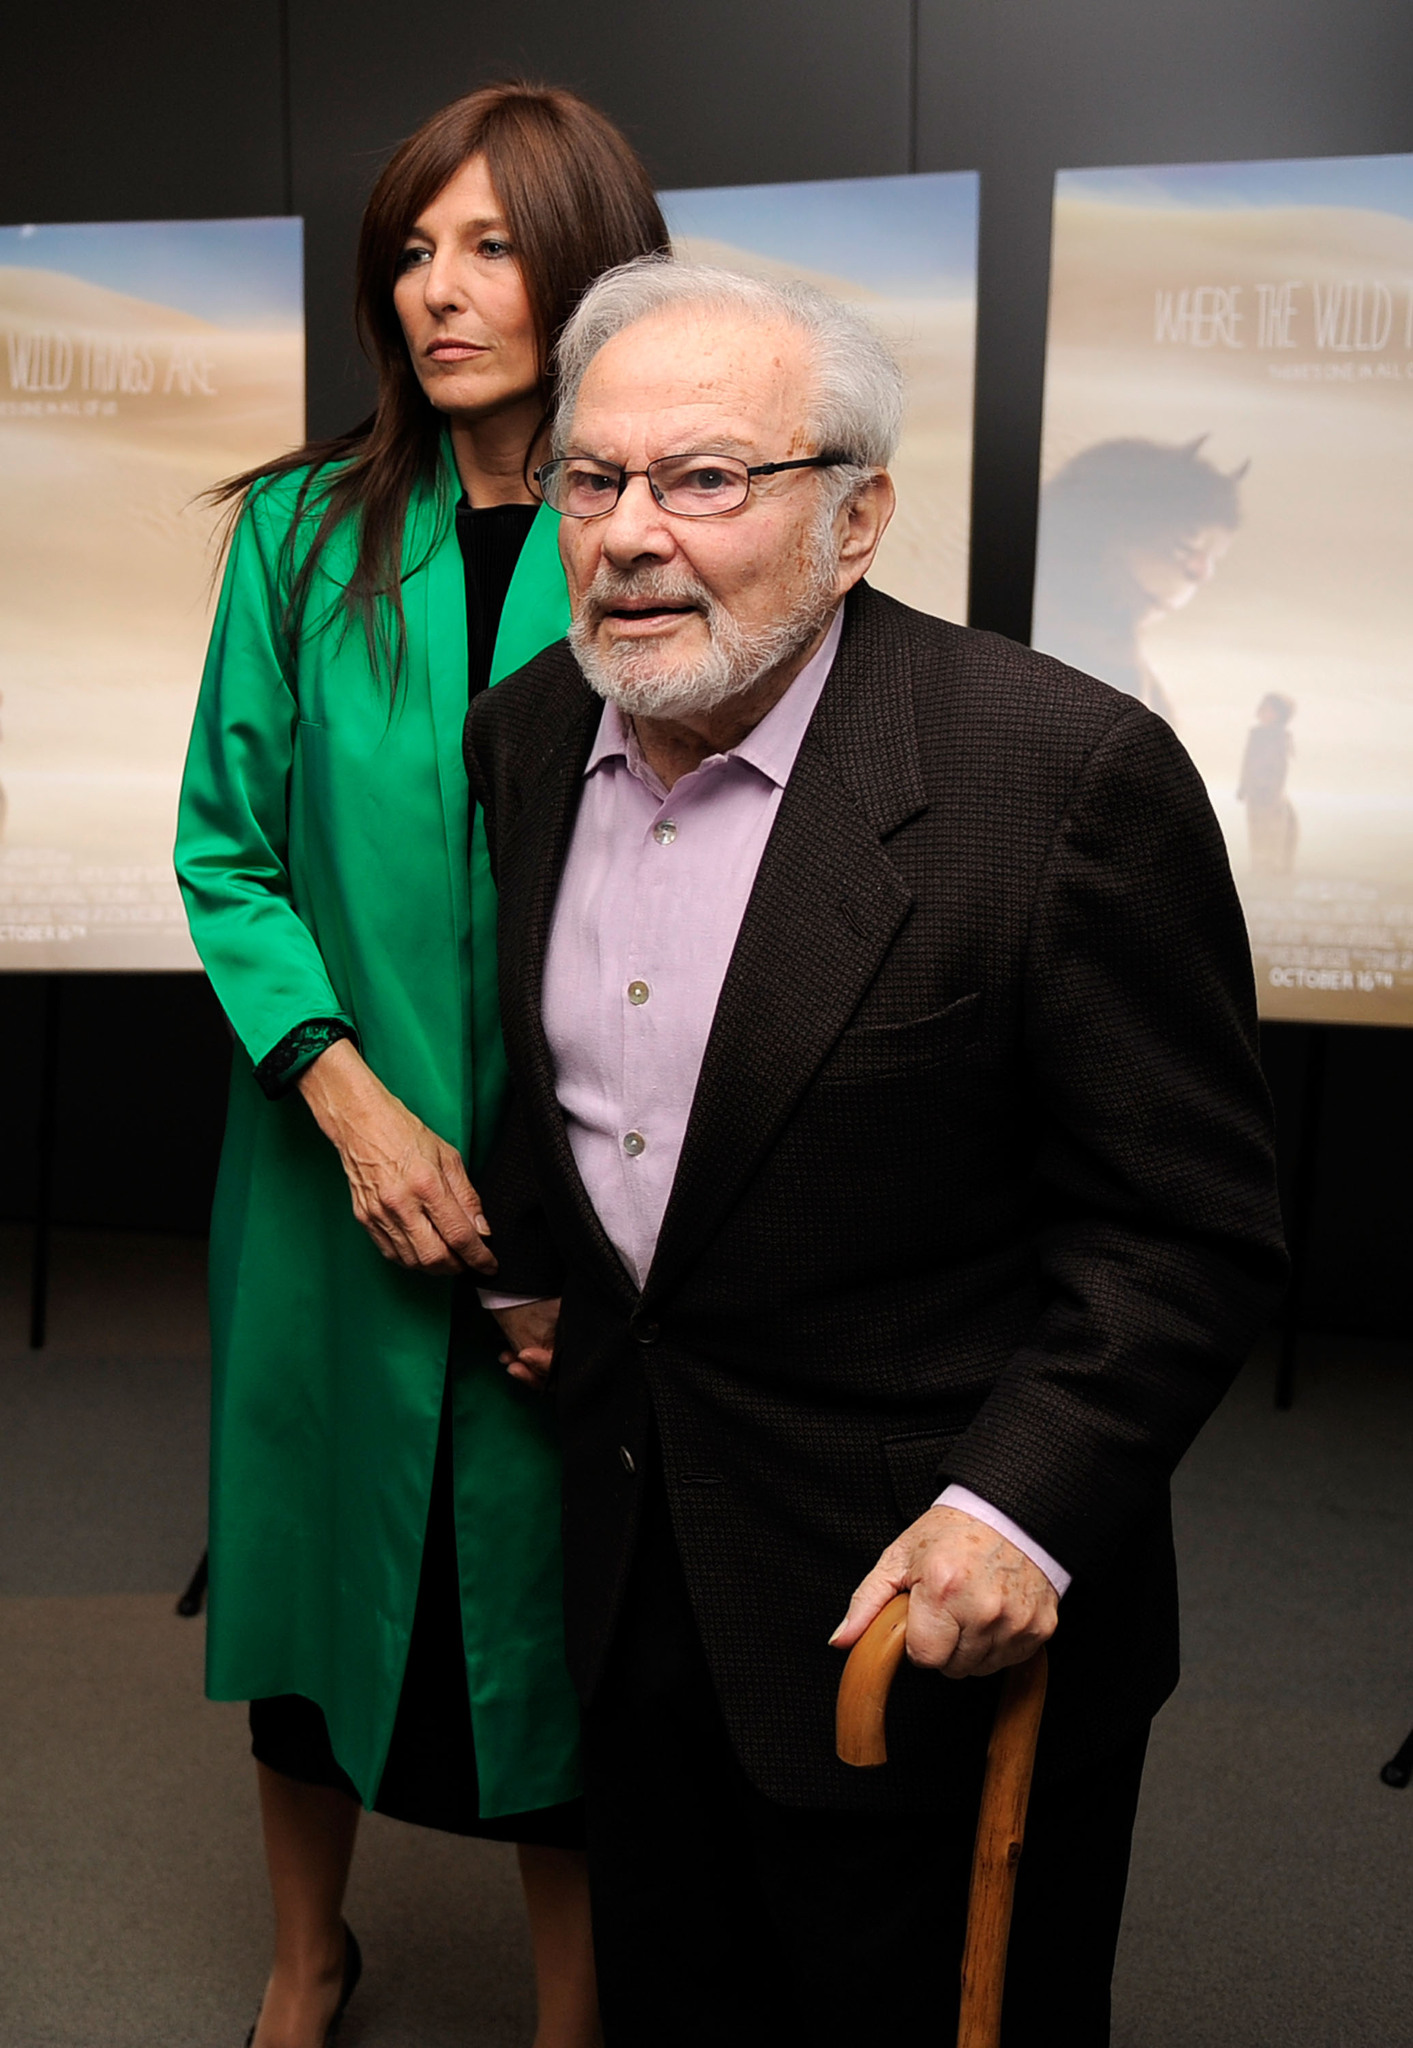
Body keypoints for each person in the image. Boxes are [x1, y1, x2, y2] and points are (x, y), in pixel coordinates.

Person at [465, 261, 1288, 2047]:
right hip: (629, 1558)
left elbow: (1184, 1228)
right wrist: (538, 1268)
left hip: (911, 1612)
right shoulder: (526, 732)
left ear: (855, 517)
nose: (625, 534)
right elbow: (582, 1075)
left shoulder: (1059, 778)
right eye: (590, 478)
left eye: (704, 478)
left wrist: (1014, 1509)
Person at [175, 85, 667, 2048]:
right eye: (407, 247)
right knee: (297, 1579)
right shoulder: (301, 532)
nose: (436, 290)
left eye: (487, 244)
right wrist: (350, 1099)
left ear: (591, 265)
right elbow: (227, 843)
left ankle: (578, 2002)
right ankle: (309, 1958)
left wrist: (552, 1213)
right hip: (322, 1167)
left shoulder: (650, 522)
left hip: (592, 1173)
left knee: (570, 1593)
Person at [1031, 434, 1245, 725]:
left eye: (1214, 557)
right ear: (1108, 531)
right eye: (1185, 546)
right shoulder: (1085, 670)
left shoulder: (1116, 653)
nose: (1202, 573)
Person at [1237, 691, 1298, 876]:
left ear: (1280, 714)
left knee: (1272, 830)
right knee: (1256, 829)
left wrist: (1274, 791)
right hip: (1254, 791)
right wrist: (1243, 785)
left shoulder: (1282, 737)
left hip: (1271, 794)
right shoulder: (1255, 735)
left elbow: (1282, 767)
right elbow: (1247, 761)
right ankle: (1258, 866)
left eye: (1269, 710)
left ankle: (1274, 866)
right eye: (1262, 709)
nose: (1264, 714)